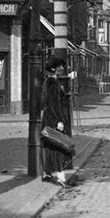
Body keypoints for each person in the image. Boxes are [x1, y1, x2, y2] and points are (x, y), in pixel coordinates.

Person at [41, 57, 71, 186]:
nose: (62, 68)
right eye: (59, 66)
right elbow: (54, 104)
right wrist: (59, 121)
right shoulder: (53, 83)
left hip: (48, 118)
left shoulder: (49, 82)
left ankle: (47, 173)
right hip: (54, 118)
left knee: (50, 146)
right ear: (53, 68)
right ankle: (60, 175)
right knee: (60, 146)